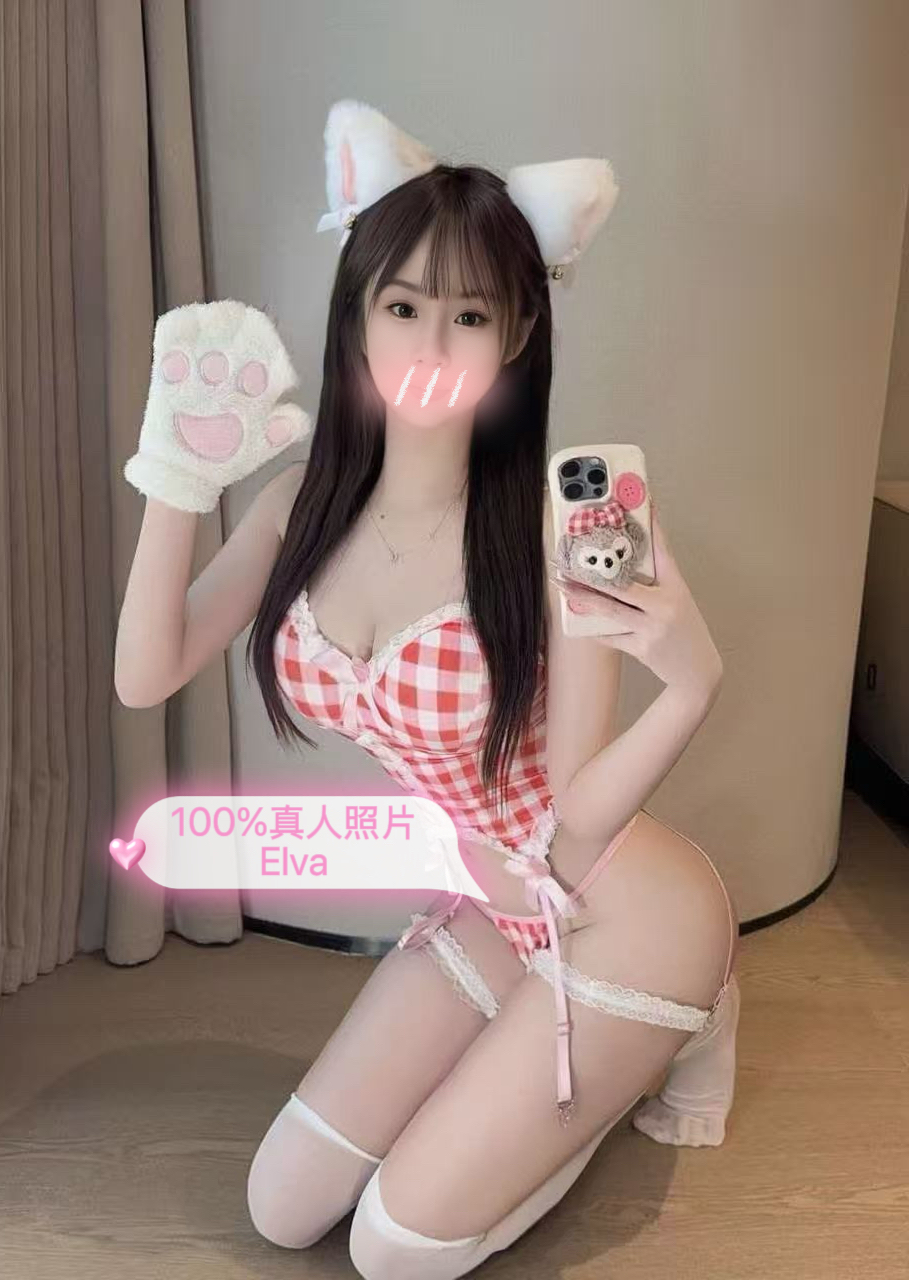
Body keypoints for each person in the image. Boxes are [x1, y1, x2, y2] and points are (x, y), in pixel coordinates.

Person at [117, 101, 740, 1279]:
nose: (433, 346)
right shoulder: (300, 505)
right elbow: (146, 673)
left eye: (472, 315)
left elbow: (574, 815)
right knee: (282, 1204)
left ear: (518, 334)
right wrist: (175, 477)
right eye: (403, 307)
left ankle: (688, 1009)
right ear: (357, 311)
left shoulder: (550, 526)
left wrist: (693, 685)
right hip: (486, 906)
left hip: (620, 904)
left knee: (394, 1246)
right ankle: (543, 1054)